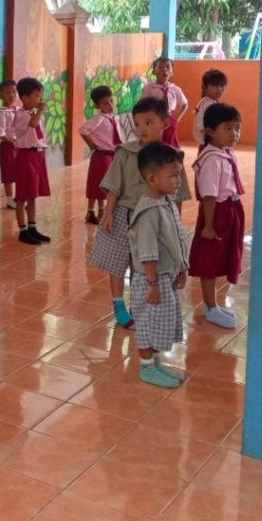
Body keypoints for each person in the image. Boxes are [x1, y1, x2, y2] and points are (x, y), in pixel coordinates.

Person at [89, 97, 191, 329]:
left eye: (148, 123)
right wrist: (109, 213)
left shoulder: (173, 158)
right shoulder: (125, 152)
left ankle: (139, 305)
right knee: (117, 262)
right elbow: (114, 185)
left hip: (154, 219)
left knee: (144, 264)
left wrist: (174, 224)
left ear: (165, 123)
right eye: (137, 124)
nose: (142, 129)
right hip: (124, 215)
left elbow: (177, 196)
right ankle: (118, 306)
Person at [128, 142, 189, 389]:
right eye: (173, 175)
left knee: (159, 322)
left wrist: (181, 267)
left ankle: (155, 363)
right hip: (151, 279)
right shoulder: (149, 212)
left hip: (164, 277)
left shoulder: (166, 202)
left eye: (178, 174)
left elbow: (175, 239)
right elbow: (148, 253)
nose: (178, 181)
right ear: (152, 179)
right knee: (147, 323)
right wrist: (152, 284)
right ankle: (146, 368)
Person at [188, 103, 245, 329]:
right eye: (228, 128)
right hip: (217, 213)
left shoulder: (225, 153)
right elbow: (209, 196)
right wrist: (209, 226)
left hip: (229, 210)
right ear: (211, 131)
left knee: (221, 257)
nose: (234, 133)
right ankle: (210, 308)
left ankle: (210, 305)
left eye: (237, 128)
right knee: (210, 261)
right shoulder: (212, 159)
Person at [11, 77, 52, 244]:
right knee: (22, 196)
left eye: (41, 95)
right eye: (37, 95)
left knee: (33, 195)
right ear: (25, 98)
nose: (40, 99)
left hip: (36, 156)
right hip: (26, 157)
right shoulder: (21, 114)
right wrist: (40, 111)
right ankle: (22, 230)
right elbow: (32, 124)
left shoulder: (34, 114)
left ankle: (32, 227)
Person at [79, 85, 122, 224]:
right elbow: (83, 130)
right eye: (105, 103)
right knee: (98, 184)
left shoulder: (114, 118)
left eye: (111, 101)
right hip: (101, 156)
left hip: (112, 155)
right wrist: (91, 144)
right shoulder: (99, 118)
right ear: (97, 106)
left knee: (105, 184)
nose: (110, 105)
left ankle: (100, 211)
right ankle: (92, 211)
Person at [140, 57, 188, 150]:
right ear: (153, 72)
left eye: (167, 67)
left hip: (170, 120)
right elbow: (143, 105)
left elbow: (185, 104)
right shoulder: (148, 88)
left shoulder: (175, 89)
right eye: (160, 67)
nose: (164, 69)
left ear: (172, 72)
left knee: (170, 144)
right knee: (154, 143)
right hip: (154, 119)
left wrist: (177, 119)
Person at [0, 79, 19, 209]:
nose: (11, 95)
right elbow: (0, 134)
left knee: (19, 172)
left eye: (14, 92)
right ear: (0, 96)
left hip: (18, 146)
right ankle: (9, 200)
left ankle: (19, 197)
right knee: (8, 174)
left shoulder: (18, 110)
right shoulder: (1, 114)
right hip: (8, 147)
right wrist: (13, 141)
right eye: (7, 93)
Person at [193, 69, 228, 148]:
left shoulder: (210, 102)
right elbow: (201, 126)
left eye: (222, 85)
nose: (219, 88)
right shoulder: (208, 104)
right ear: (204, 87)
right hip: (209, 144)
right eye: (214, 85)